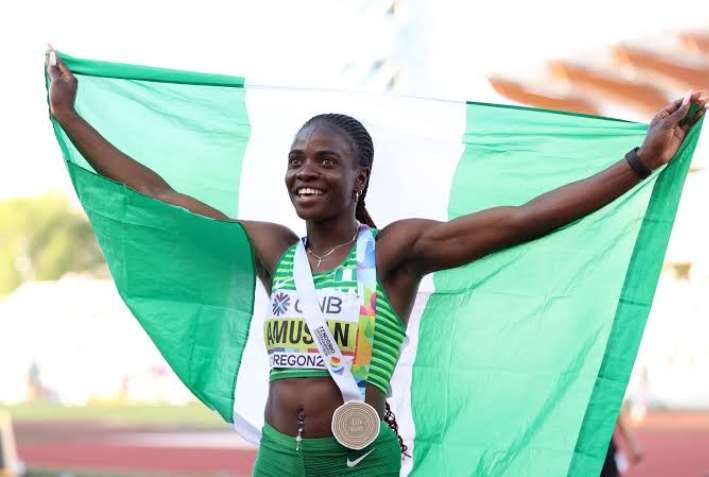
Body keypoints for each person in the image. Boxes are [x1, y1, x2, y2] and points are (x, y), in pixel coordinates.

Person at [45, 48, 706, 477]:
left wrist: (639, 162)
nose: (306, 171)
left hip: (356, 458)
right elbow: (158, 194)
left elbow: (519, 219)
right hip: (277, 457)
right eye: (296, 160)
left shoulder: (394, 252)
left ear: (358, 178)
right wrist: (70, 118)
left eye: (325, 161)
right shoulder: (274, 249)